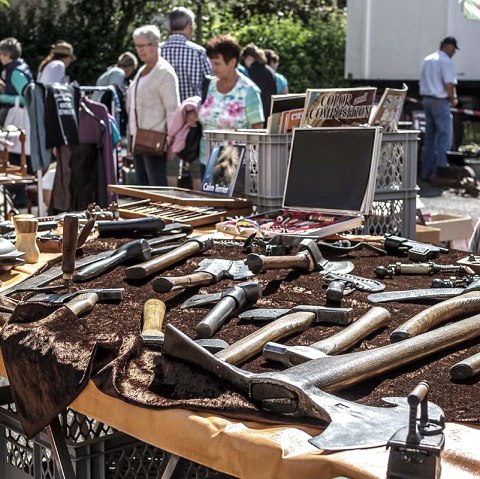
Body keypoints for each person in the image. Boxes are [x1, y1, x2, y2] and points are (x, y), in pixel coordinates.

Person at [188, 34, 264, 178]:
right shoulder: (209, 85)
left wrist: (253, 165)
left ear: (233, 62)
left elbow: (257, 130)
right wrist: (193, 115)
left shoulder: (249, 91)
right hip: (206, 160)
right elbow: (205, 112)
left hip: (235, 164)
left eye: (217, 64)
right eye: (211, 63)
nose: (213, 68)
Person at [160, 7, 213, 189]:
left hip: (167, 116)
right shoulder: (198, 52)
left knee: (172, 161)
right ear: (189, 25)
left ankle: (170, 199)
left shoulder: (158, 51)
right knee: (195, 161)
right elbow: (209, 84)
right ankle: (198, 203)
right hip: (192, 116)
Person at [126, 25, 179, 186]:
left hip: (156, 141)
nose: (140, 50)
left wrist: (171, 142)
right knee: (143, 189)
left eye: (144, 45)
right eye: (137, 46)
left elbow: (172, 109)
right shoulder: (141, 71)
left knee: (157, 189)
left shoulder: (164, 72)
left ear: (155, 44)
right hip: (138, 139)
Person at [419, 36, 459, 182]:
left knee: (429, 138)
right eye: (454, 49)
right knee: (444, 139)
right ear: (448, 47)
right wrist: (453, 99)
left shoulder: (427, 59)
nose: (454, 52)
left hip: (427, 100)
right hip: (440, 101)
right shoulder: (445, 61)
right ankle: (440, 173)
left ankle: (425, 173)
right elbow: (449, 84)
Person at [240, 43, 277, 124]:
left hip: (256, 116)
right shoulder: (269, 70)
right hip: (268, 114)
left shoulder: (251, 72)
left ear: (249, 58)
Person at [0, 37, 33, 125]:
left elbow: (26, 98)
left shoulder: (15, 73)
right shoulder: (18, 67)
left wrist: (2, 98)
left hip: (14, 116)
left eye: (1, 54)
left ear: (7, 55)